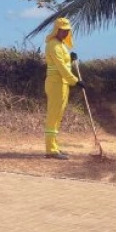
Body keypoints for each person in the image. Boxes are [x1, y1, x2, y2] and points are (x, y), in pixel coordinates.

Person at [43, 17, 85, 159]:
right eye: (63, 31)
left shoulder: (61, 45)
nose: (66, 33)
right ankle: (51, 150)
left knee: (58, 116)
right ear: (57, 30)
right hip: (56, 84)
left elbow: (65, 63)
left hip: (62, 84)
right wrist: (75, 81)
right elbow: (60, 67)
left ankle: (54, 147)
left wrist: (71, 59)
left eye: (67, 31)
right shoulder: (53, 45)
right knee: (53, 116)